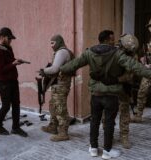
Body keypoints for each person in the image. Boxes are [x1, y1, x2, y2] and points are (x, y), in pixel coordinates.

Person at [60, 30, 151, 159]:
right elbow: (136, 67)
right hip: (111, 94)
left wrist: (59, 69)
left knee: (94, 121)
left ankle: (93, 148)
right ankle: (107, 151)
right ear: (108, 40)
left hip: (96, 94)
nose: (115, 41)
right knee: (109, 122)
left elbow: (73, 65)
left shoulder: (89, 52)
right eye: (113, 39)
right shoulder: (118, 54)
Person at [0, 27, 28, 137]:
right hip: (3, 83)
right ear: (2, 37)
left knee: (16, 104)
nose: (11, 40)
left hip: (12, 81)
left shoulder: (7, 47)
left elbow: (9, 62)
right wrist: (13, 64)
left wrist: (16, 61)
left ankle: (15, 128)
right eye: (9, 38)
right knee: (6, 106)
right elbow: (0, 70)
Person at [40, 34, 74, 142]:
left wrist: (44, 70)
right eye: (50, 43)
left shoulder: (62, 52)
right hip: (58, 84)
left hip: (61, 85)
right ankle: (53, 127)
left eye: (52, 43)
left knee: (60, 108)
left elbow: (55, 69)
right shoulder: (61, 51)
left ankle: (63, 132)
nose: (51, 45)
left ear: (59, 42)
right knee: (53, 105)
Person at [131, 18, 151, 122]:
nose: (150, 29)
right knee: (142, 92)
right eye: (149, 27)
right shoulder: (150, 40)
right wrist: (144, 60)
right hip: (148, 72)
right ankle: (138, 115)